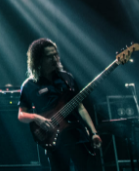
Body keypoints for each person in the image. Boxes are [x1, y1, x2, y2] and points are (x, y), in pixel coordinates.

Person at [17, 38, 102, 171]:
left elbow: (80, 107)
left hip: (77, 136)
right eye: (49, 57)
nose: (55, 59)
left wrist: (93, 132)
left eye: (56, 54)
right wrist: (37, 118)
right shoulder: (29, 85)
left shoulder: (67, 78)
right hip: (54, 140)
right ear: (38, 60)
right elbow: (21, 114)